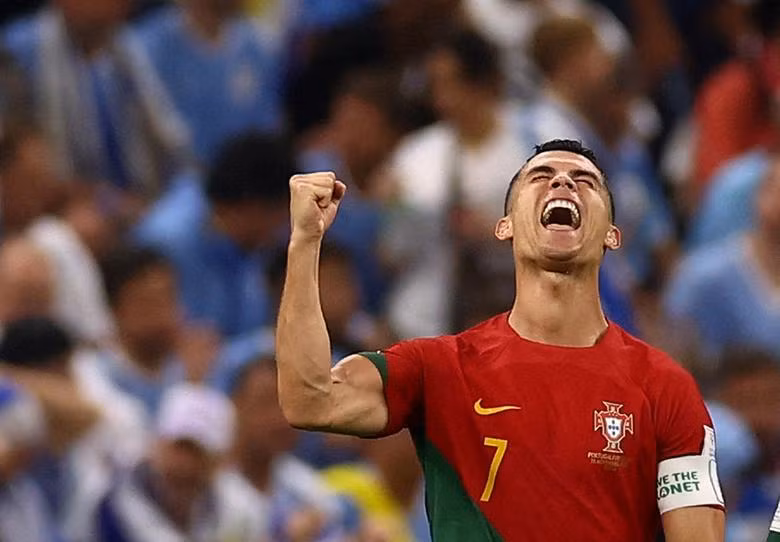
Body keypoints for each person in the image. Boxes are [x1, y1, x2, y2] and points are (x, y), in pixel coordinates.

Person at [276, 139, 725, 540]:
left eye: (584, 180)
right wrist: (304, 242)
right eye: (542, 176)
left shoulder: (664, 388)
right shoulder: (440, 369)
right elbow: (309, 400)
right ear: (504, 226)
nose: (563, 184)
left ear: (612, 235)